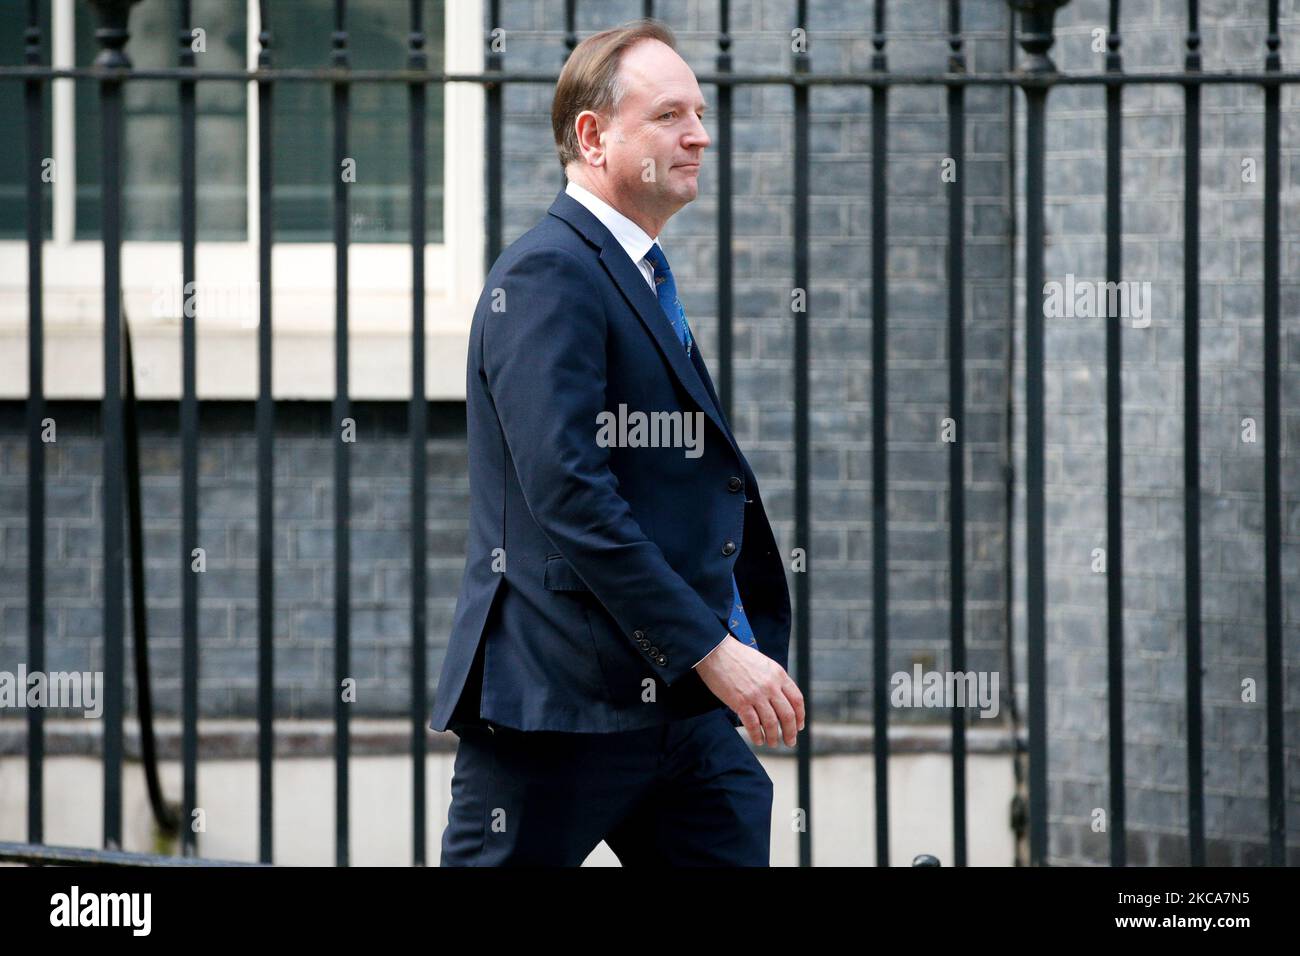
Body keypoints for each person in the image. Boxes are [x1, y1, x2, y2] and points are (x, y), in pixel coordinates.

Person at [430, 18, 803, 867]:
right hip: (560, 706)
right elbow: (569, 492)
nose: (699, 134)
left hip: (677, 712)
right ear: (594, 138)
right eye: (671, 114)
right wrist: (716, 653)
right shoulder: (548, 273)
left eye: (700, 113)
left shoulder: (632, 271)